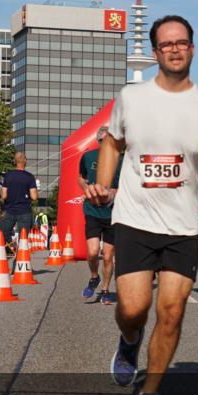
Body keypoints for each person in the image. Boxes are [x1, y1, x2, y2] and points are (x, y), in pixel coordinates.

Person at [87, 15, 198, 395]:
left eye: (181, 42)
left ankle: (150, 393)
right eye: (166, 43)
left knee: (171, 312)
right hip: (134, 219)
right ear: (155, 53)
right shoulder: (132, 98)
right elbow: (112, 142)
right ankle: (130, 340)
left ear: (192, 48)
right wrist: (102, 184)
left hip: (183, 227)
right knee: (134, 309)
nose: (174, 48)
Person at [78, 125, 122, 304]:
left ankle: (105, 289)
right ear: (98, 141)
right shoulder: (88, 157)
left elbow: (127, 185)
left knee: (109, 256)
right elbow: (81, 177)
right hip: (92, 210)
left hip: (112, 212)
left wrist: (114, 192)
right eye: (103, 141)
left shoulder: (121, 159)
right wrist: (87, 189)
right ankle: (94, 276)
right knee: (93, 252)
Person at [0, 152, 38, 240]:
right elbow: (34, 197)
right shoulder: (30, 177)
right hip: (25, 211)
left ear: (15, 161)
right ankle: (21, 252)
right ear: (25, 161)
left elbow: (4, 196)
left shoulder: (8, 176)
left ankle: (10, 247)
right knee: (23, 238)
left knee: (3, 233)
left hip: (9, 210)